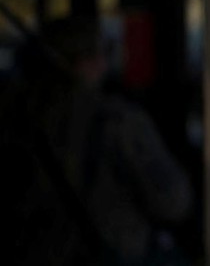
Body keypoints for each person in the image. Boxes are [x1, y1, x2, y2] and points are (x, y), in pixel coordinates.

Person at [0, 17, 193, 265]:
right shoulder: (116, 121)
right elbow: (173, 201)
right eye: (104, 51)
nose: (105, 62)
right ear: (84, 60)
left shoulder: (12, 117)